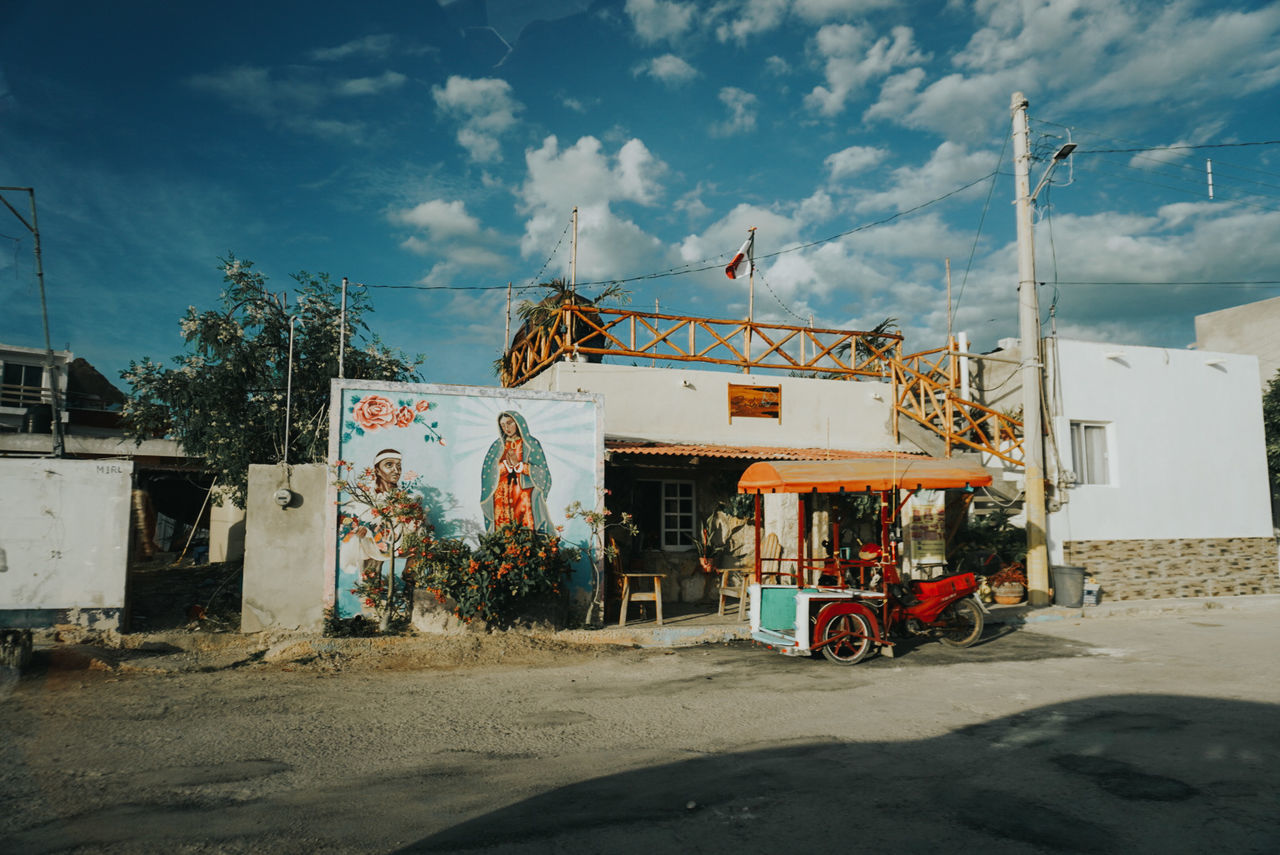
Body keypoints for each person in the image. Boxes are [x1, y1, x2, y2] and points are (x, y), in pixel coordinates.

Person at [480, 411, 552, 533]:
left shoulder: (531, 444)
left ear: (518, 423)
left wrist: (520, 466)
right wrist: (504, 466)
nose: (506, 428)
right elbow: (488, 471)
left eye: (509, 423)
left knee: (525, 526)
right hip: (501, 494)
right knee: (503, 529)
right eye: (503, 425)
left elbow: (542, 472)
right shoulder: (498, 445)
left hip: (523, 492)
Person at [338, 448, 403, 580]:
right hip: (368, 545)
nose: (396, 471)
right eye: (389, 465)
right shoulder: (365, 494)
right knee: (370, 585)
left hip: (390, 543)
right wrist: (362, 529)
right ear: (377, 470)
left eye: (399, 466)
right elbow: (352, 513)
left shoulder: (400, 498)